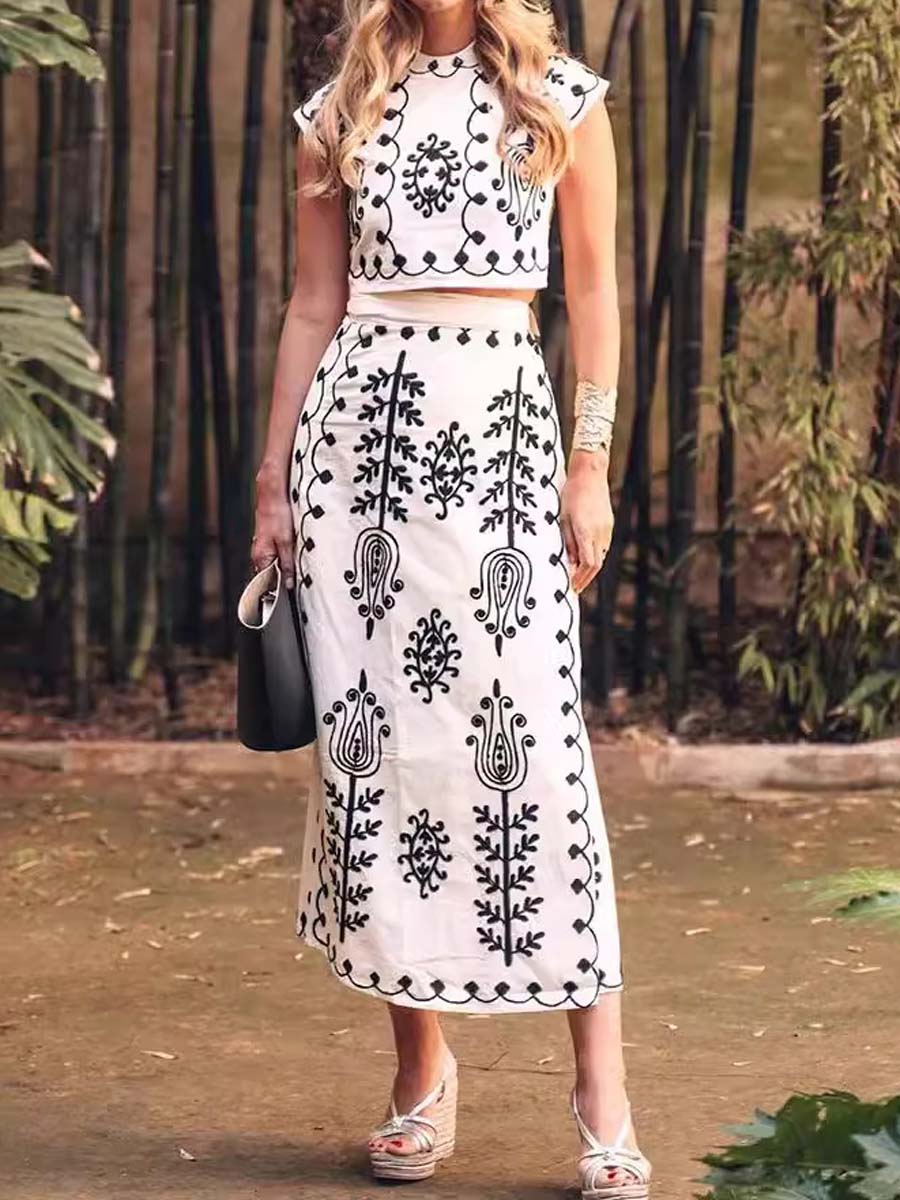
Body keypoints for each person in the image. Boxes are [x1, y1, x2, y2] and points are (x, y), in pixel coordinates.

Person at [252, 0, 651, 1195]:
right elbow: (312, 305)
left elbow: (595, 293)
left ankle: (602, 1091)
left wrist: (591, 462)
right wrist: (273, 483)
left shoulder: (561, 98)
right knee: (381, 762)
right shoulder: (339, 109)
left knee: (540, 752)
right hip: (358, 467)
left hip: (502, 451)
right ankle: (420, 1073)